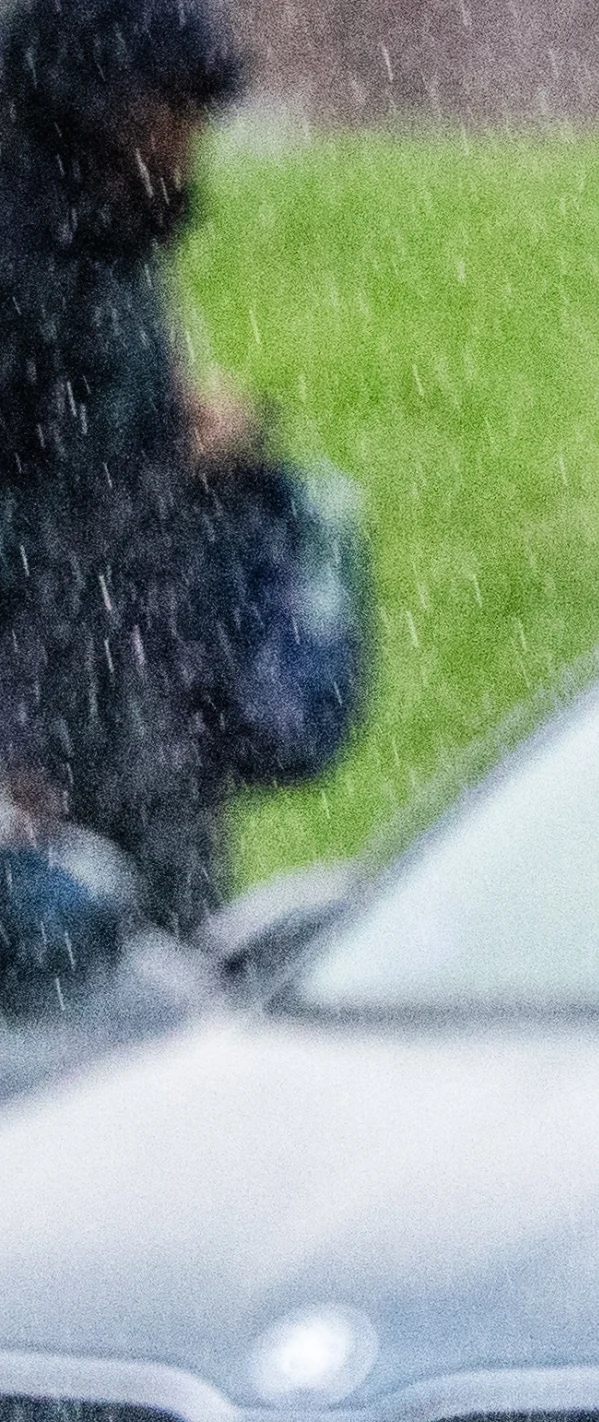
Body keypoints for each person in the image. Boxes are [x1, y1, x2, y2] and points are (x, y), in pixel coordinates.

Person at [0, 0, 254, 937]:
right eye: (173, 109)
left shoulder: (115, 243)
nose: (190, 141)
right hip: (58, 723)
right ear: (101, 106)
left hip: (136, 695)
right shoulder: (39, 263)